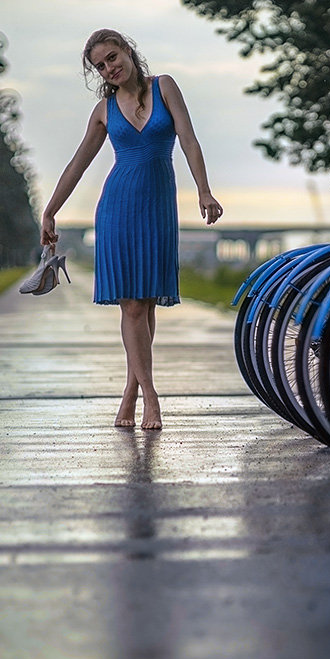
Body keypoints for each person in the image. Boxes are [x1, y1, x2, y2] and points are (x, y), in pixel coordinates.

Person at [40, 28, 223, 431]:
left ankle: (130, 391)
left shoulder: (165, 87)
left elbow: (189, 141)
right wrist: (50, 211)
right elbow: (77, 165)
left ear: (127, 50)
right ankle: (150, 397)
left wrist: (204, 191)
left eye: (112, 57)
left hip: (158, 207)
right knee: (133, 306)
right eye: (100, 66)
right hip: (118, 208)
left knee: (147, 303)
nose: (109, 68)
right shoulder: (104, 110)